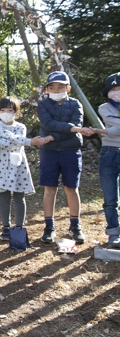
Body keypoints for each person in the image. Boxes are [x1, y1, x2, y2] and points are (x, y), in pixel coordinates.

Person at [37, 71, 93, 244]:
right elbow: (49, 124)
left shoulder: (76, 104)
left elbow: (77, 127)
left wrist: (53, 136)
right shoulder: (43, 105)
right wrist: (72, 130)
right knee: (50, 189)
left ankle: (75, 226)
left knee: (71, 188)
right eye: (52, 87)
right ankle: (49, 227)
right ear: (46, 89)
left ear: (68, 88)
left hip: (71, 152)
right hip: (49, 152)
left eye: (60, 87)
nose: (56, 90)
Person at [0, 96, 42, 240]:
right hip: (2, 167)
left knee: (19, 196)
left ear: (16, 112)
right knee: (4, 196)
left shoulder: (21, 127)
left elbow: (13, 143)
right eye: (2, 110)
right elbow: (6, 141)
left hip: (18, 167)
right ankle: (5, 226)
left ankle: (19, 226)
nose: (6, 113)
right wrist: (29, 141)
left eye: (10, 110)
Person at [90, 73, 120, 247]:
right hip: (109, 152)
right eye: (113, 89)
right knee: (110, 198)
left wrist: (107, 130)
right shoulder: (104, 108)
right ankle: (113, 232)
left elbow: (114, 127)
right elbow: (114, 126)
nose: (117, 92)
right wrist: (109, 130)